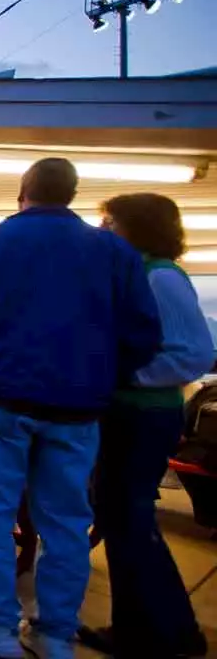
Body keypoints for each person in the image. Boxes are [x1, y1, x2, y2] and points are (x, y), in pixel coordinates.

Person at [0, 158, 161, 659]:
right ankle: (55, 633)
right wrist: (102, 377)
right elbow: (144, 334)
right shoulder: (115, 253)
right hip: (77, 409)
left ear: (24, 193)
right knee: (65, 521)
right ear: (72, 196)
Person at [78, 193, 212, 658]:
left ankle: (174, 632)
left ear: (137, 227)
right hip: (127, 411)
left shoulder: (162, 279)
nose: (105, 230)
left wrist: (127, 374)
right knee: (119, 519)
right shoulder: (139, 274)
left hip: (144, 413)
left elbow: (196, 353)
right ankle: (135, 628)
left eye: (111, 222)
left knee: (131, 521)